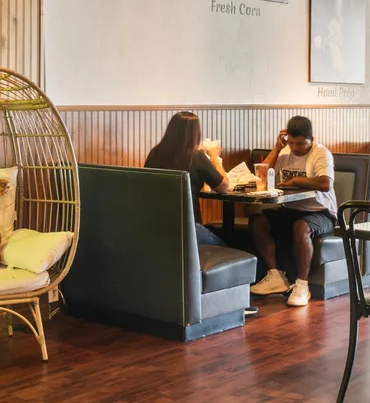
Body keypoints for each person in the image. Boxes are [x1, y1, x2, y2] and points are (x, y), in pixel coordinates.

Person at [250, 115, 336, 308]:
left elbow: (325, 184)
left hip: (322, 212)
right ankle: (275, 275)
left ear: (311, 140)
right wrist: (277, 148)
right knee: (258, 221)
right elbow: (262, 176)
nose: (295, 148)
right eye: (291, 143)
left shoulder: (321, 154)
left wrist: (297, 181)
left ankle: (302, 285)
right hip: (290, 207)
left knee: (301, 227)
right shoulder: (284, 152)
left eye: (300, 144)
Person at [143, 111, 230, 247]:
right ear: (196, 134)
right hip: (188, 230)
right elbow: (224, 187)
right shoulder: (196, 157)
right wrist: (215, 158)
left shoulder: (155, 153)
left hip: (155, 228)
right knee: (228, 246)